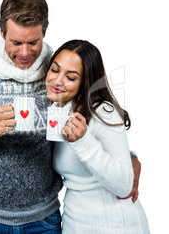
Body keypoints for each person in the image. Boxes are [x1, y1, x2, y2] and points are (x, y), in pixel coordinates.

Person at [0, 0, 141, 233]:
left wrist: (130, 159)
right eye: (16, 42)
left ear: (45, 31)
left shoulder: (57, 75)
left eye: (33, 42)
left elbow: (90, 122)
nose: (24, 53)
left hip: (44, 221)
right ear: (1, 32)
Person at [45, 39, 150, 233]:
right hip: (75, 222)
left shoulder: (103, 111)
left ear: (85, 83)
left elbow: (124, 185)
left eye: (70, 77)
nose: (57, 81)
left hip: (114, 224)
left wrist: (83, 141)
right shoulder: (59, 110)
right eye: (55, 69)